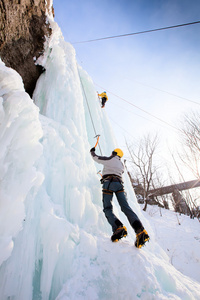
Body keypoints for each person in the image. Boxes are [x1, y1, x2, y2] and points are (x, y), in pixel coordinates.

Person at [90, 147, 150, 248]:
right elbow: (118, 172)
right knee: (125, 208)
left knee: (107, 208)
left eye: (112, 153)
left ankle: (118, 227)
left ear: (114, 153)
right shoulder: (121, 165)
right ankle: (140, 230)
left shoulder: (110, 159)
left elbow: (97, 158)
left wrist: (92, 152)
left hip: (109, 184)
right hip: (119, 185)